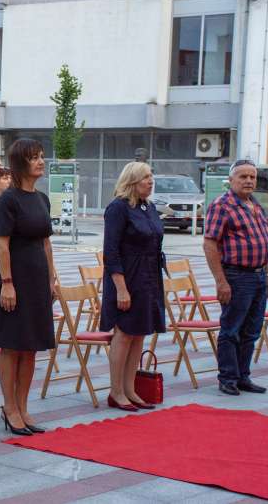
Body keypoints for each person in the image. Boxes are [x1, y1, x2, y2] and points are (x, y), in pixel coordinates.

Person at [0, 140, 56, 434]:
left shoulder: (41, 198)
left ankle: (23, 407)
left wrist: (52, 278)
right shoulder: (8, 200)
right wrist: (8, 284)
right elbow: (1, 244)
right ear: (20, 163)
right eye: (34, 158)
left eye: (41, 156)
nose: (41, 161)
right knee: (12, 346)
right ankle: (9, 407)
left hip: (38, 280)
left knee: (31, 346)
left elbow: (46, 242)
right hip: (15, 279)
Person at [203, 159, 268, 396]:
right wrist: (220, 281)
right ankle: (228, 378)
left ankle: (244, 376)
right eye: (243, 176)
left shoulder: (254, 204)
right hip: (236, 276)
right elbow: (210, 244)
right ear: (231, 180)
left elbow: (262, 242)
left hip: (259, 276)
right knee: (231, 329)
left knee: (252, 330)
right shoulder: (222, 206)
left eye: (252, 177)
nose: (248, 181)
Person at [101, 161, 166, 411]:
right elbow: (111, 251)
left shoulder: (147, 206)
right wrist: (121, 288)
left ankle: (130, 389)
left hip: (149, 275)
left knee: (139, 332)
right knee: (124, 332)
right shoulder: (118, 208)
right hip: (127, 277)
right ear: (131, 181)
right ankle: (115, 391)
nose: (150, 181)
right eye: (145, 177)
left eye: (151, 176)